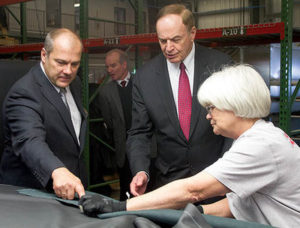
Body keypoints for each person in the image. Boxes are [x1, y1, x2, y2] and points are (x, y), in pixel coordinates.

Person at [79, 64, 300, 227]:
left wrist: (119, 207)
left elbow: (193, 190)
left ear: (235, 105)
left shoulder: (259, 145)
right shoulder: (258, 137)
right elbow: (233, 206)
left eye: (212, 107)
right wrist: (183, 215)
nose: (208, 115)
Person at [126, 4, 233, 198]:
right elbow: (139, 132)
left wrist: (227, 170)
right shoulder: (145, 77)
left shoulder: (222, 66)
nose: (168, 48)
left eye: (176, 39)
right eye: (162, 41)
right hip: (170, 185)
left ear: (192, 33)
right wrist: (141, 170)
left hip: (217, 182)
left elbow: (236, 127)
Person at [0, 28, 87, 200]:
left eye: (75, 64)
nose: (68, 70)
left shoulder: (74, 83)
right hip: (30, 197)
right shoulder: (24, 92)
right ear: (44, 55)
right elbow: (30, 140)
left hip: (66, 192)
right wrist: (57, 170)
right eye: (61, 62)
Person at [97, 49, 133, 200]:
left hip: (148, 150)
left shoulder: (141, 84)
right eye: (107, 67)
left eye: (113, 66)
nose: (109, 70)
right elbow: (109, 123)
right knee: (126, 190)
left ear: (124, 65)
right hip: (123, 151)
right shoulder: (105, 92)